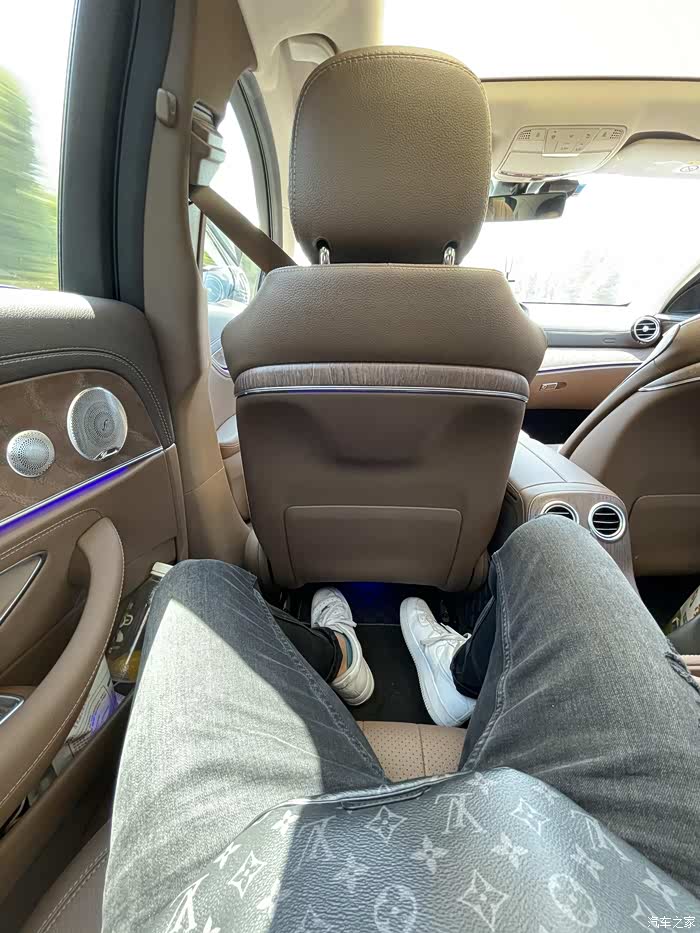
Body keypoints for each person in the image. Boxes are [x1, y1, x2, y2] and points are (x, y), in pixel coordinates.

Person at [101, 516, 700, 932]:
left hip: (227, 899)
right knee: (553, 541)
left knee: (195, 585)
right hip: (649, 891)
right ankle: (457, 679)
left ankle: (341, 653)